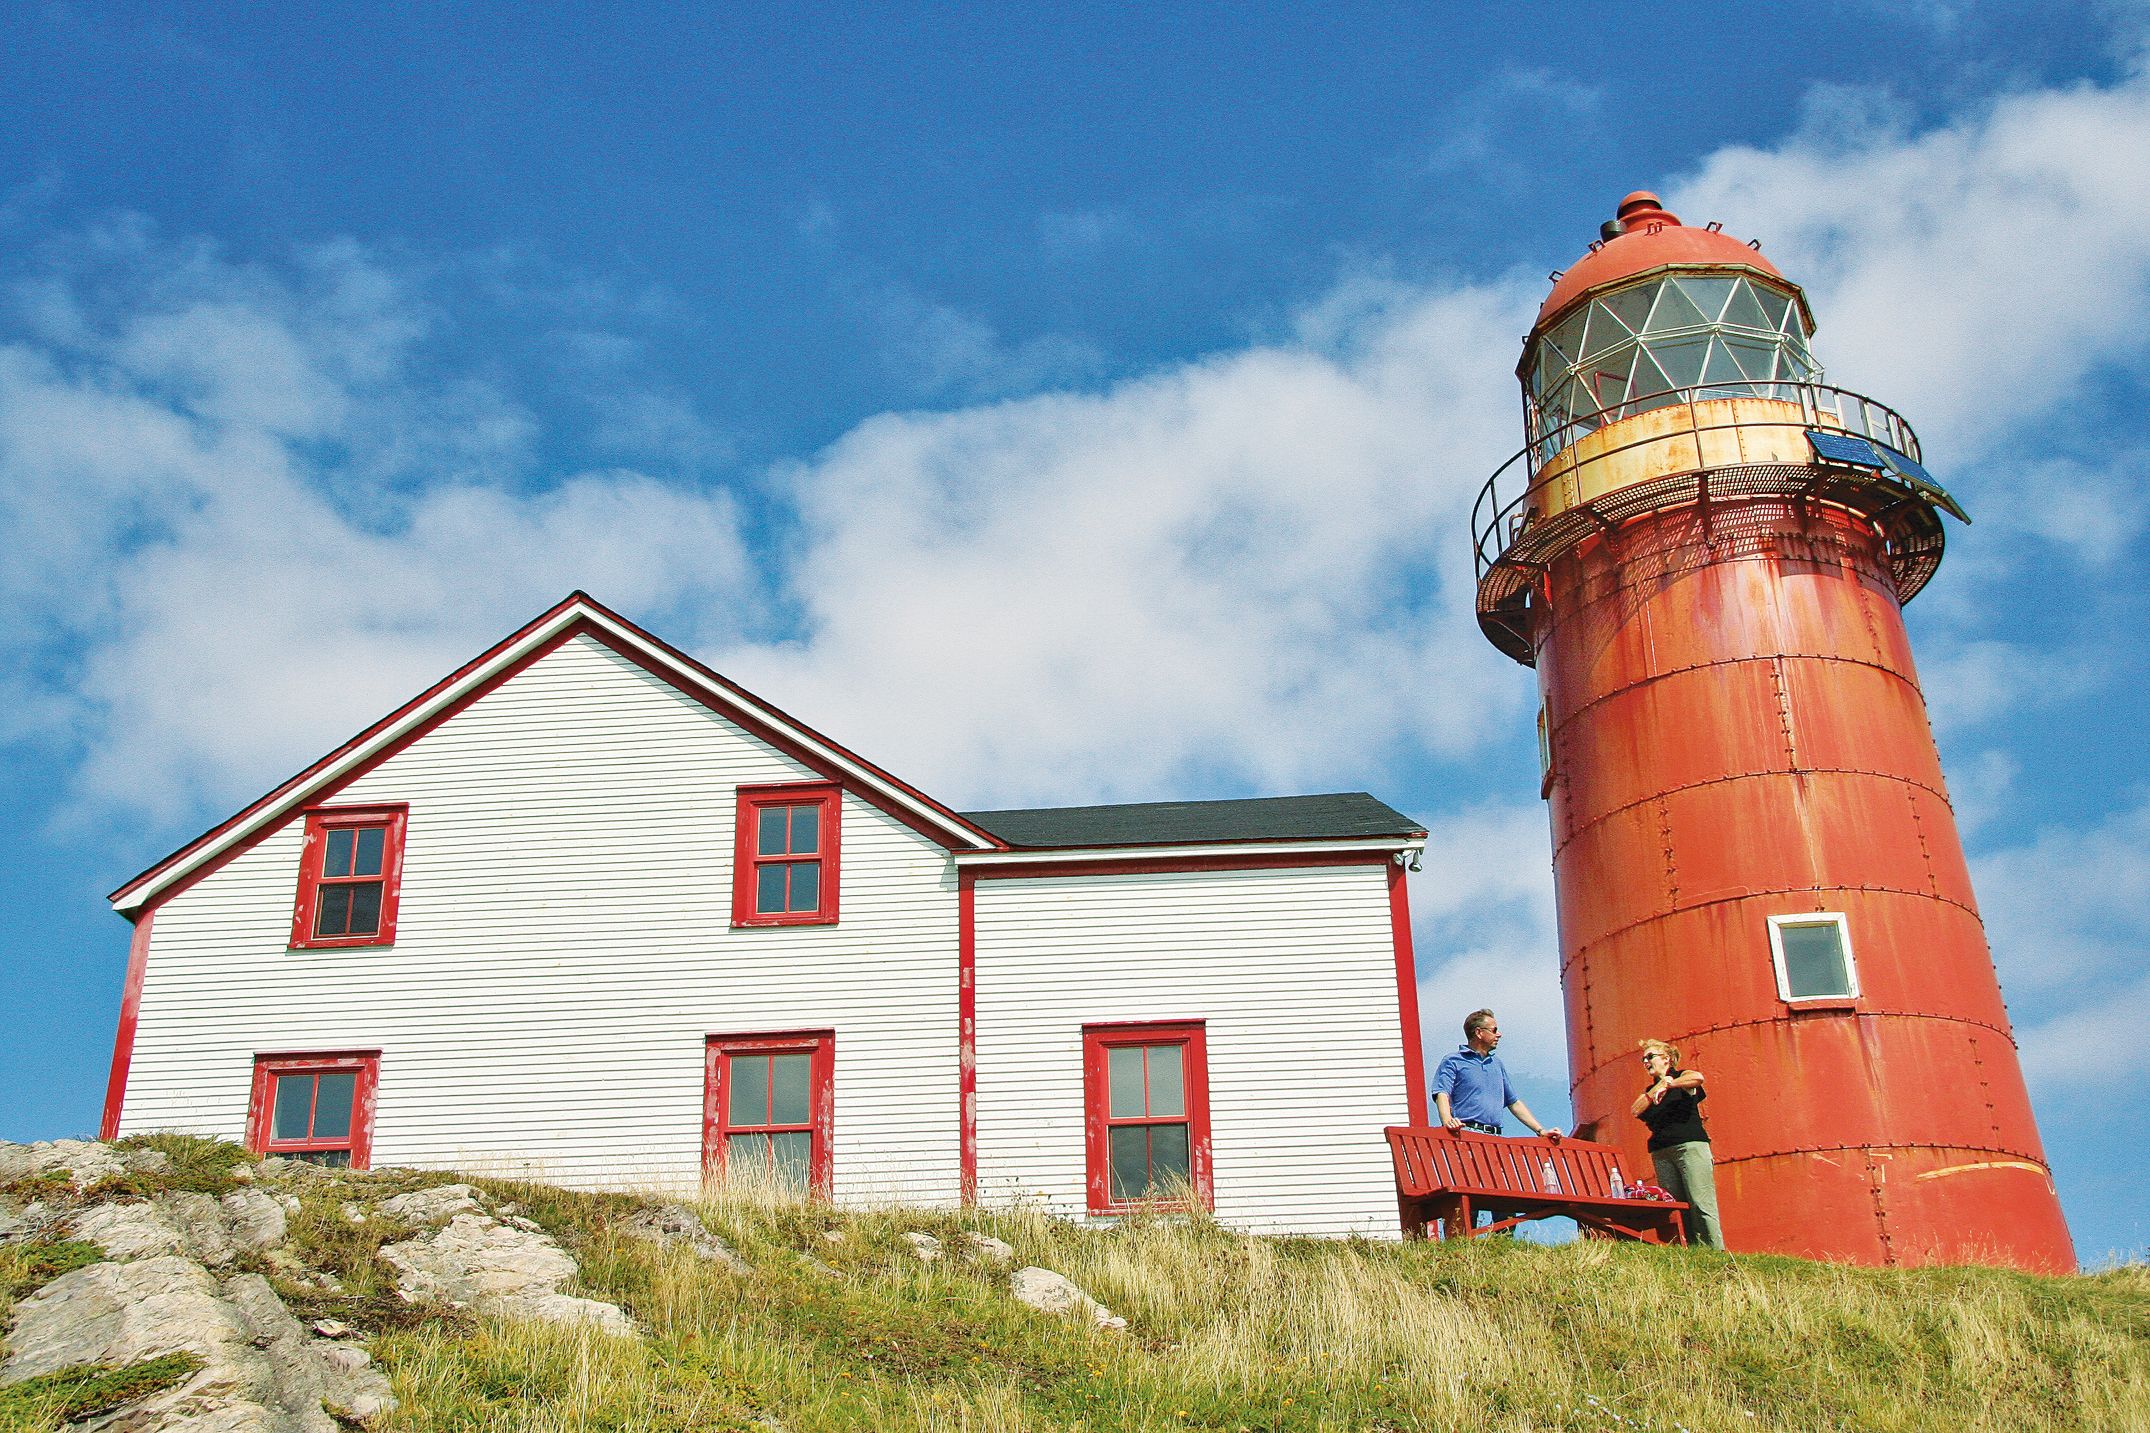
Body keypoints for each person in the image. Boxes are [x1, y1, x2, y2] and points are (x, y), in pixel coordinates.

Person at [1632, 1038, 1724, 1250]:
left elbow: (1698, 1078)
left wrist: (1668, 1082)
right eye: (1643, 1059)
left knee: (1701, 1202)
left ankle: (1715, 1250)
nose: (1646, 1062)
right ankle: (1693, 1251)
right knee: (1676, 1206)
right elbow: (1635, 1109)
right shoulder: (1650, 1091)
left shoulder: (1681, 1078)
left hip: (1690, 1146)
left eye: (1650, 1057)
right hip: (1661, 1151)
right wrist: (1656, 1089)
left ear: (1667, 1059)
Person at [1431, 1009, 1563, 1140]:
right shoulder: (1453, 1061)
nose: (1499, 1034)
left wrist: (1541, 1131)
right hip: (1466, 1134)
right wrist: (1448, 1122)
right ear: (1479, 1032)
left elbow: (1514, 1103)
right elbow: (1442, 1093)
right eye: (1494, 1030)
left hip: (1495, 1138)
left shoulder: (1496, 1064)